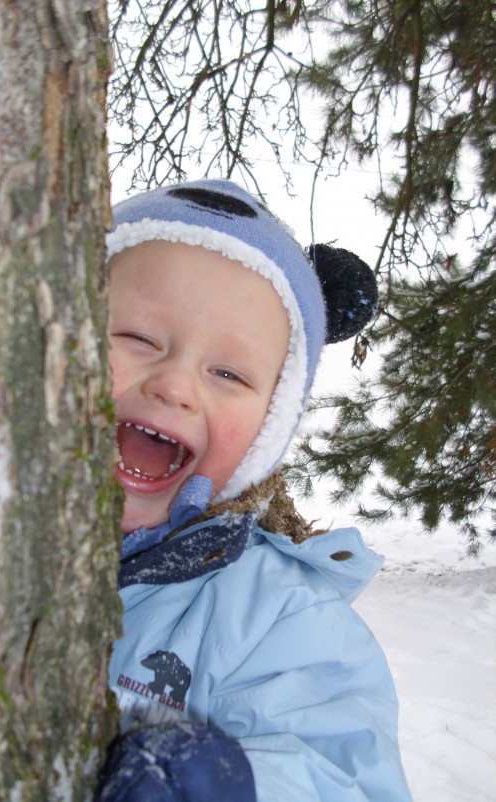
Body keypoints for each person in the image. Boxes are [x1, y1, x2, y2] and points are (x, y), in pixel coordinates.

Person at [95, 179, 412, 801]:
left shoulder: (278, 615)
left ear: (270, 426)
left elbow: (343, 773)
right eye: (136, 338)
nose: (176, 385)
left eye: (228, 372)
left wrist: (222, 787)